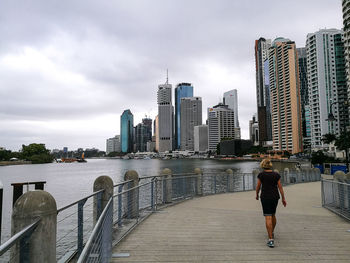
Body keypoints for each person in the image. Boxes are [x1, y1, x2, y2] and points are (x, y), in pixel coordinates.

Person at [255, 159, 286, 248]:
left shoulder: (261, 175)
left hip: (265, 197)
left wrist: (256, 194)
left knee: (267, 216)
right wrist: (283, 198)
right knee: (273, 215)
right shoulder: (276, 175)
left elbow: (258, 186)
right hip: (275, 197)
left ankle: (270, 239)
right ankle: (271, 232)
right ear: (270, 165)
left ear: (263, 165)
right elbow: (280, 188)